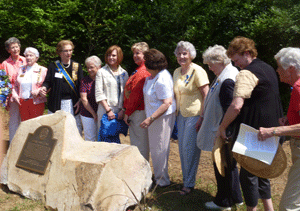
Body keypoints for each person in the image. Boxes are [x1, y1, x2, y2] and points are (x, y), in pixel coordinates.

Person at [217, 36, 283, 211]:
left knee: (248, 176)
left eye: (237, 60)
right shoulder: (267, 68)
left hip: (254, 133)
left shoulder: (247, 73)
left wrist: (222, 126)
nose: (237, 65)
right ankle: (269, 209)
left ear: (247, 53)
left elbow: (236, 105)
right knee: (262, 174)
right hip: (271, 130)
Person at [197, 45, 243, 209]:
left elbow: (230, 108)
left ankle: (224, 201)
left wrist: (223, 130)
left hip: (223, 131)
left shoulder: (228, 79)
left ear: (220, 61)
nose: (209, 68)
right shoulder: (224, 74)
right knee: (229, 165)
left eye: (210, 64)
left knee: (222, 165)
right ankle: (236, 197)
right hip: (221, 129)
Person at [258, 47, 300, 211]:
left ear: (290, 68)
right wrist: (290, 120)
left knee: (289, 207)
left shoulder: (298, 87)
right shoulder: (295, 87)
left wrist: (273, 131)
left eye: (279, 67)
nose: (276, 70)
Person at [173, 41, 209, 195]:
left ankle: (189, 184)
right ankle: (186, 180)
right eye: (179, 53)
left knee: (190, 150)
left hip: (195, 115)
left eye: (184, 53)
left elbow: (207, 95)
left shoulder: (198, 71)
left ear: (191, 55)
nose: (181, 56)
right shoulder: (176, 71)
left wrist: (202, 117)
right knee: (182, 149)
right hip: (180, 115)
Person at [140, 49, 176, 187]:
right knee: (156, 148)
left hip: (161, 118)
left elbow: (167, 102)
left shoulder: (162, 78)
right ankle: (159, 177)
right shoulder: (152, 76)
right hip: (154, 117)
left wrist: (151, 118)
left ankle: (162, 181)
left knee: (160, 148)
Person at [40, 40, 83, 134]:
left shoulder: (77, 66)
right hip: (56, 102)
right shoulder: (53, 66)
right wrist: (44, 87)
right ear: (59, 52)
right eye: (66, 51)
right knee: (56, 129)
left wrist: (80, 100)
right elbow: (48, 82)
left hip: (72, 103)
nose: (69, 53)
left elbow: (81, 85)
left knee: (72, 129)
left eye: (70, 50)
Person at [123, 42, 151, 160]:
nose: (135, 55)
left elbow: (136, 95)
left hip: (138, 111)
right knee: (138, 143)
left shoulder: (143, 72)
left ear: (145, 54)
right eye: (134, 53)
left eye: (138, 53)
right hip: (136, 111)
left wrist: (127, 112)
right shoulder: (139, 70)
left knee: (140, 144)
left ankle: (141, 172)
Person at [95, 45, 128, 133]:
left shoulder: (124, 73)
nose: (111, 57)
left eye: (113, 55)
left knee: (116, 140)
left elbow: (126, 93)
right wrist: (108, 110)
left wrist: (123, 110)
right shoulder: (101, 72)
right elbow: (99, 93)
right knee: (104, 138)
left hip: (120, 111)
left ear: (119, 56)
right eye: (109, 55)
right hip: (105, 109)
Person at [11, 47, 47, 121]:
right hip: (22, 102)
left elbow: (47, 85)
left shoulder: (43, 70)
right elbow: (15, 85)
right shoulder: (20, 69)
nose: (28, 57)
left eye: (31, 55)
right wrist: (14, 95)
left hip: (37, 102)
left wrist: (39, 90)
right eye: (27, 56)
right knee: (25, 124)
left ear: (36, 58)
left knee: (36, 125)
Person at [2, 37, 26, 142]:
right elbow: (3, 82)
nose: (16, 49)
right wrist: (6, 97)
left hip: (26, 95)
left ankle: (23, 143)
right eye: (13, 47)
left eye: (17, 47)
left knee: (25, 120)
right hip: (13, 96)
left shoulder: (26, 60)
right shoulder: (5, 64)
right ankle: (13, 144)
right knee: (14, 121)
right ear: (8, 50)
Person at [80, 56, 101, 141]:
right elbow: (84, 99)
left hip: (102, 113)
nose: (89, 70)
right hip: (87, 114)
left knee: (101, 138)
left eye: (91, 67)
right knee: (90, 139)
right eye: (88, 68)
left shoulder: (104, 78)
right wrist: (93, 114)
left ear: (98, 67)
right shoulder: (84, 81)